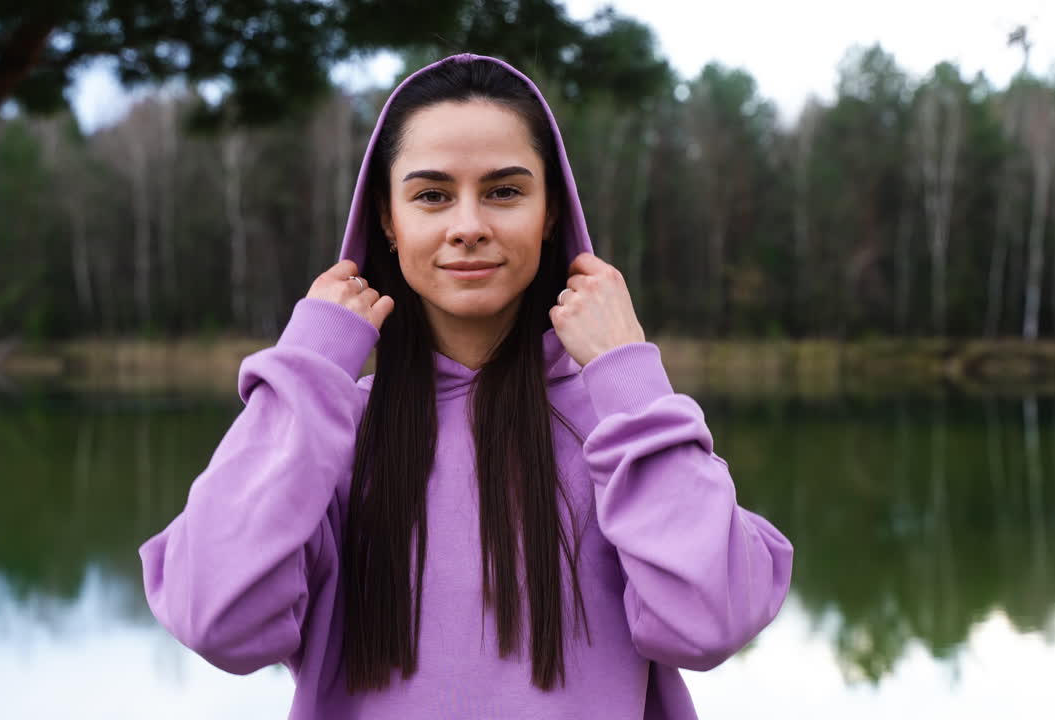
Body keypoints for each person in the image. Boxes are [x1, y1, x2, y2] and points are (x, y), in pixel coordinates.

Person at [139, 53, 793, 719]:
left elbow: (713, 622)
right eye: (432, 195)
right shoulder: (325, 433)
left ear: (549, 214)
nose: (469, 225)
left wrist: (627, 372)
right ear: (388, 222)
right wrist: (307, 366)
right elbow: (214, 619)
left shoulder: (622, 430)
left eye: (505, 192)